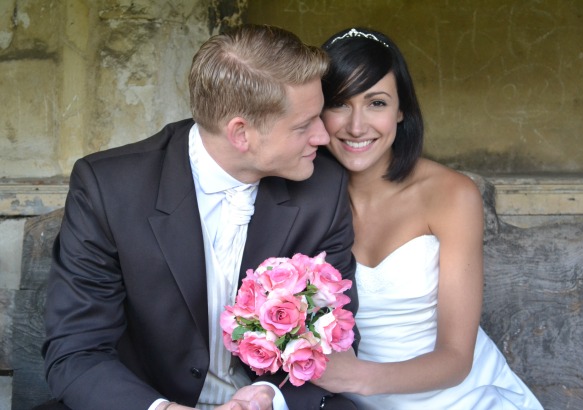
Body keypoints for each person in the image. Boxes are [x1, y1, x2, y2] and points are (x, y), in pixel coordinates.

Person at [40, 24, 359, 410]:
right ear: (241, 133)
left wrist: (269, 398)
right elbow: (77, 350)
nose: (324, 137)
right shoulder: (109, 189)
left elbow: (336, 337)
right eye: (304, 124)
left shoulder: (323, 190)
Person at [311, 27, 543, 409]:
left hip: (462, 398)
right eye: (339, 103)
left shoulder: (451, 195)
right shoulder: (299, 201)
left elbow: (455, 358)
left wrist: (356, 377)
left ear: (402, 110)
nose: (356, 126)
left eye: (377, 103)